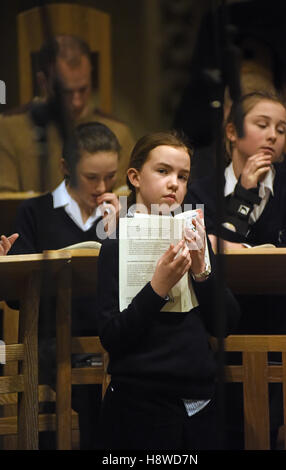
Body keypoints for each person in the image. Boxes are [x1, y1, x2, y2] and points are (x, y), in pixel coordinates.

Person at [97, 130, 240, 450]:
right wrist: (157, 287)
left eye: (183, 175)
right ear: (135, 176)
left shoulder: (193, 236)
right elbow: (111, 336)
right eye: (163, 171)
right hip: (138, 401)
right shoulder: (115, 242)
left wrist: (203, 269)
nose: (174, 182)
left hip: (199, 400)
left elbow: (226, 323)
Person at [185, 91, 286, 449]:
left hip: (277, 325)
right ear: (232, 132)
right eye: (262, 125)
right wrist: (245, 195)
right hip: (216, 327)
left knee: (269, 432)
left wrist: (233, 246)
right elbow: (205, 253)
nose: (273, 136)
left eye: (281, 129)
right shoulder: (201, 189)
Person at [9, 121, 121, 449]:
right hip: (52, 343)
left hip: (109, 342)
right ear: (65, 168)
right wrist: (10, 268)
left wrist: (117, 234)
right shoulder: (36, 212)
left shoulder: (123, 212)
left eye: (111, 176)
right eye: (92, 177)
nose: (103, 186)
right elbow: (18, 298)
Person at [0, 34, 135, 193]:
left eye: (83, 89)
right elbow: (6, 205)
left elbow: (129, 200)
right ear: (43, 82)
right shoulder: (8, 129)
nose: (77, 101)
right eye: (66, 92)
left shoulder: (118, 132)